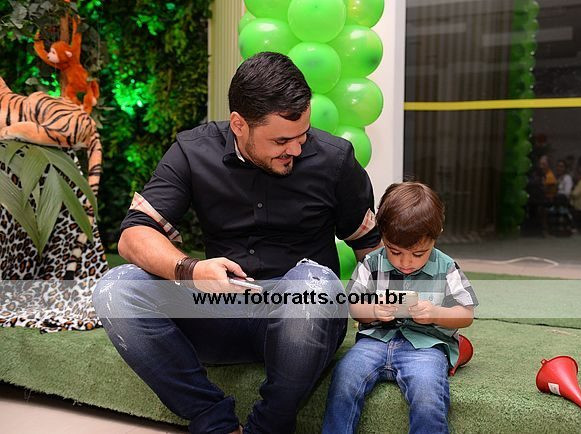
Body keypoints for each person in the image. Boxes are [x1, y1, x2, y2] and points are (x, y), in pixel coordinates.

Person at [92, 52, 381, 434]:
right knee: (116, 287)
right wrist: (191, 270)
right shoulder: (192, 151)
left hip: (303, 324)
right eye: (281, 140)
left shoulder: (335, 160)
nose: (296, 149)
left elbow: (372, 250)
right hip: (218, 315)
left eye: (303, 135)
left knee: (318, 285)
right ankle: (214, 420)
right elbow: (133, 237)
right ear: (239, 124)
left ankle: (269, 426)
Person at [322, 182, 478, 434]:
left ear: (436, 235)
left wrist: (435, 313)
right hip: (374, 341)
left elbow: (466, 314)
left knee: (428, 393)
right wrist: (373, 310)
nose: (406, 262)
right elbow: (354, 305)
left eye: (418, 254)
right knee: (344, 377)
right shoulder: (371, 262)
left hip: (425, 347)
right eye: (395, 252)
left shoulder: (447, 267)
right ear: (382, 234)